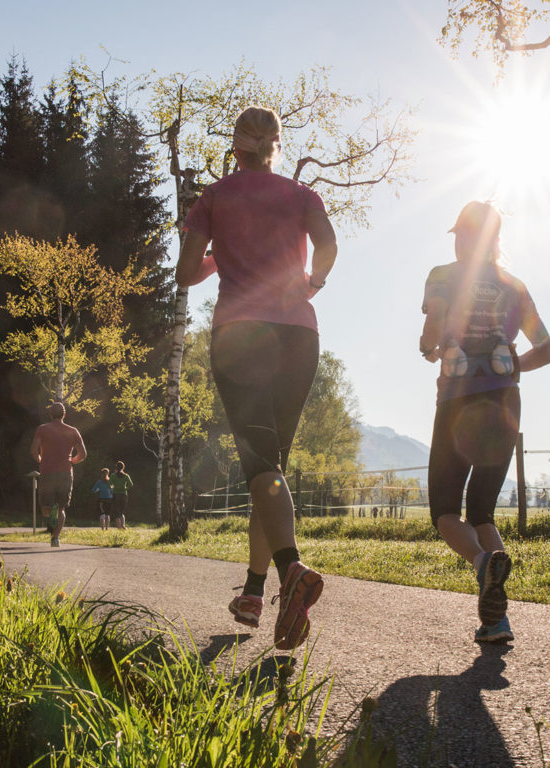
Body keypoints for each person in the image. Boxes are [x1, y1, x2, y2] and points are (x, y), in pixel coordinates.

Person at [176, 105, 337, 651]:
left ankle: (292, 571)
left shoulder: (215, 197)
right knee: (271, 472)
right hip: (299, 335)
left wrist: (217, 249)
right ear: (275, 146)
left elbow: (184, 273)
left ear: (236, 147)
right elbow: (330, 246)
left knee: (261, 466)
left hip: (243, 335)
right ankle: (252, 590)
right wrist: (311, 283)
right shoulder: (300, 195)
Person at [420, 201, 550, 643]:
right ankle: (496, 621)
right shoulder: (515, 287)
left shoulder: (443, 274)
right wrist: (512, 364)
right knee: (482, 512)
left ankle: (482, 566)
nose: (458, 242)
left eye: (462, 234)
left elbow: (434, 325)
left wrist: (429, 343)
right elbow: (547, 350)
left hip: (460, 405)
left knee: (444, 511)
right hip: (505, 404)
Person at [30, 401, 87, 547]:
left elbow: (33, 450)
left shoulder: (42, 429)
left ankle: (50, 518)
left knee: (45, 506)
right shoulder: (73, 431)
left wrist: (41, 460)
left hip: (47, 471)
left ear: (50, 414)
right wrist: (73, 461)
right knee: (62, 507)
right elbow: (83, 454)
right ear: (64, 414)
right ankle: (55, 538)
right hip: (65, 472)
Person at [110, 460, 133, 529]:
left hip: (116, 495)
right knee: (122, 512)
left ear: (116, 467)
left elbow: (110, 485)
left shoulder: (113, 475)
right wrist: (125, 488)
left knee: (116, 513)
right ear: (123, 467)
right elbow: (131, 484)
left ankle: (119, 528)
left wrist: (113, 488)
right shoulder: (126, 476)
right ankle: (123, 526)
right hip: (124, 495)